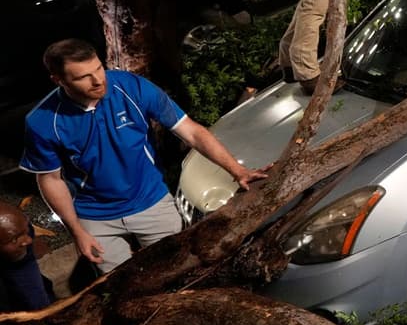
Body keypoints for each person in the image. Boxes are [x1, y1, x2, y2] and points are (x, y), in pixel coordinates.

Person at [19, 39, 267, 274]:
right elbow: (50, 179)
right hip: (94, 216)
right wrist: (76, 231)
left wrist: (237, 170)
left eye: (99, 68)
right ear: (58, 80)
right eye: (83, 76)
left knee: (174, 271)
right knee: (121, 284)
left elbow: (191, 132)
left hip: (151, 201)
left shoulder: (131, 87)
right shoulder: (42, 121)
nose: (98, 80)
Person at [0, 201, 51, 313]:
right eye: (14, 239)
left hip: (14, 261)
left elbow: (28, 280)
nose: (28, 241)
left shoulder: (19, 226)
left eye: (26, 232)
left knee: (38, 302)